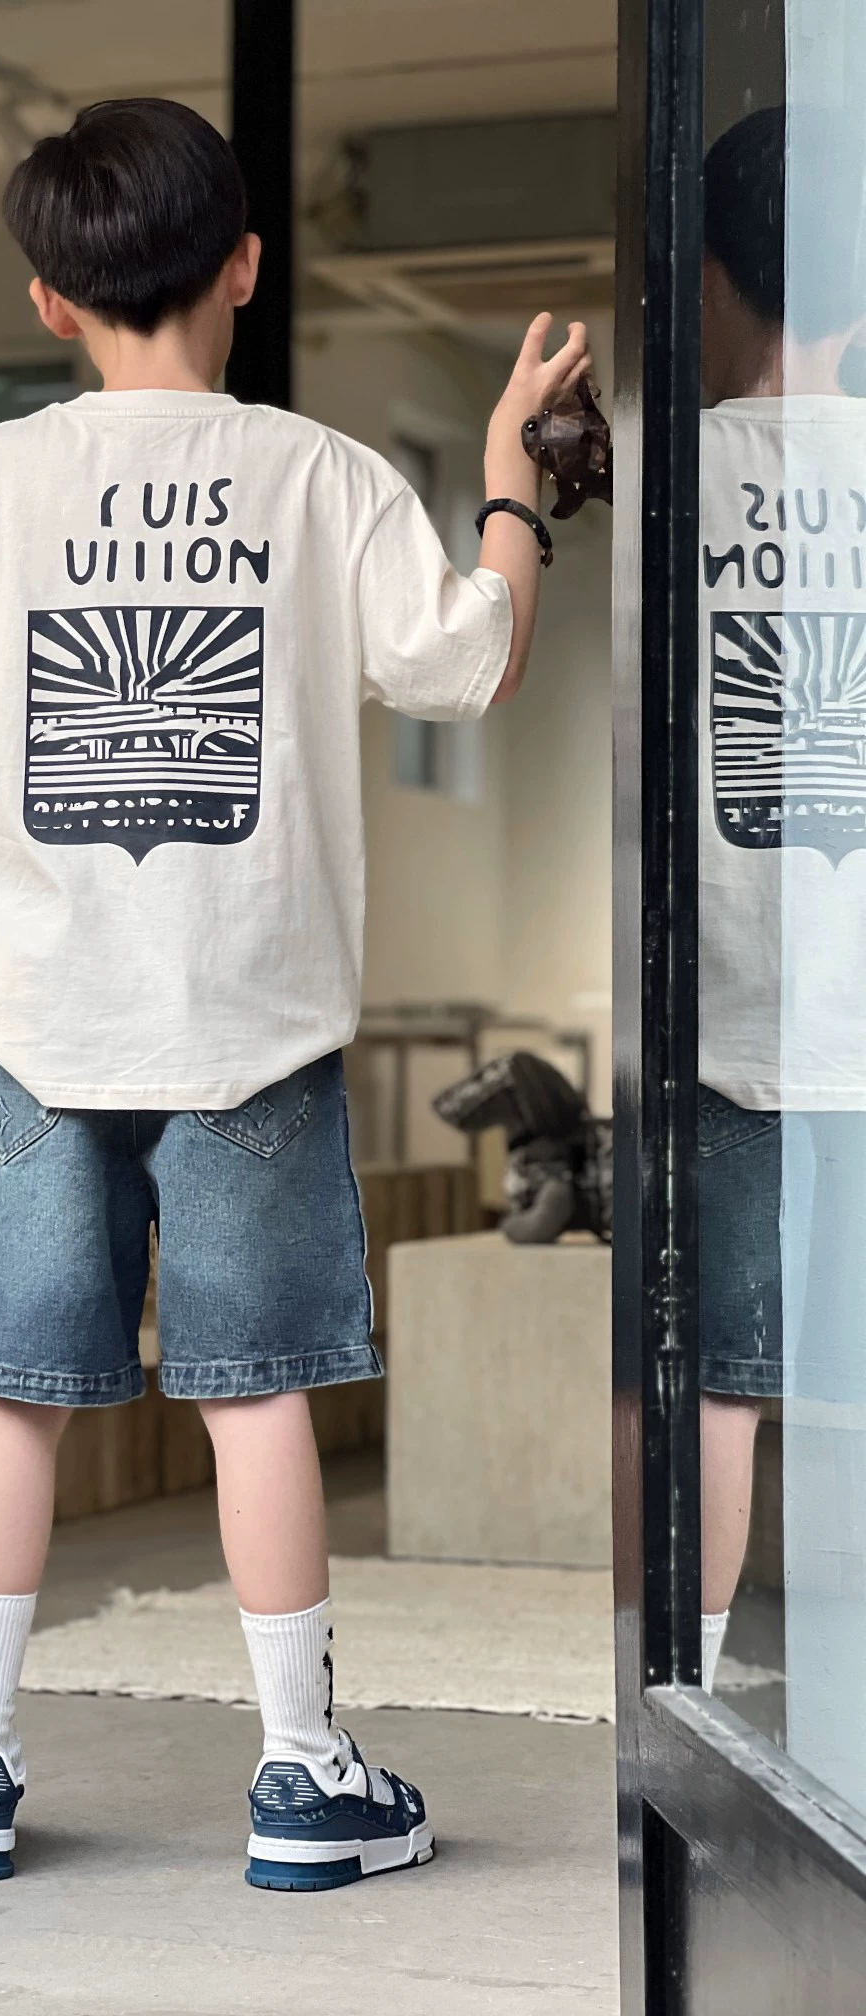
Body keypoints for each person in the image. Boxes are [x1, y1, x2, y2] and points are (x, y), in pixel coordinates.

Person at [0, 97, 588, 1890]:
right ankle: (303, 1779)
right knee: (256, 1392)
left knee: (12, 1395)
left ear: (48, 300)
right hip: (249, 1028)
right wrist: (512, 480)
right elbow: (471, 657)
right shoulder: (325, 477)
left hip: (25, 1025)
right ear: (247, 268)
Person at [696, 104, 866, 1800]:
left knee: (717, 1383)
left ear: (711, 277)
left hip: (724, 1006)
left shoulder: (677, 476)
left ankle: (677, 1703)